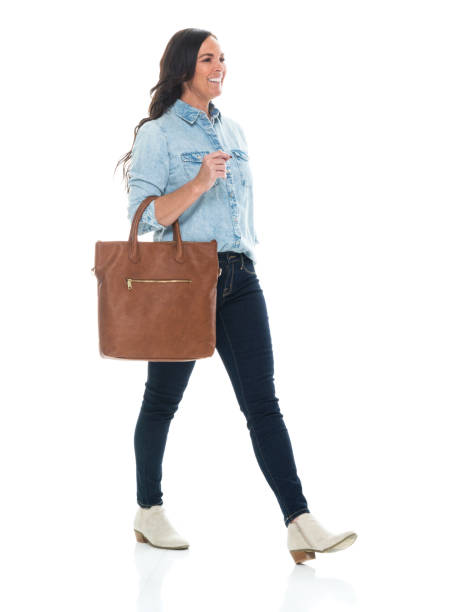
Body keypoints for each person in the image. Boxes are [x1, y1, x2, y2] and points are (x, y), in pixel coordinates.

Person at [115, 28, 357, 564]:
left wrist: (238, 256)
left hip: (240, 276)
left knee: (263, 404)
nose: (219, 66)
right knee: (162, 401)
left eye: (223, 58)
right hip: (183, 281)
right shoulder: (159, 135)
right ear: (183, 69)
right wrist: (198, 182)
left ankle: (300, 521)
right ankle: (148, 510)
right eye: (208, 59)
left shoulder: (237, 131)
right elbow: (148, 216)